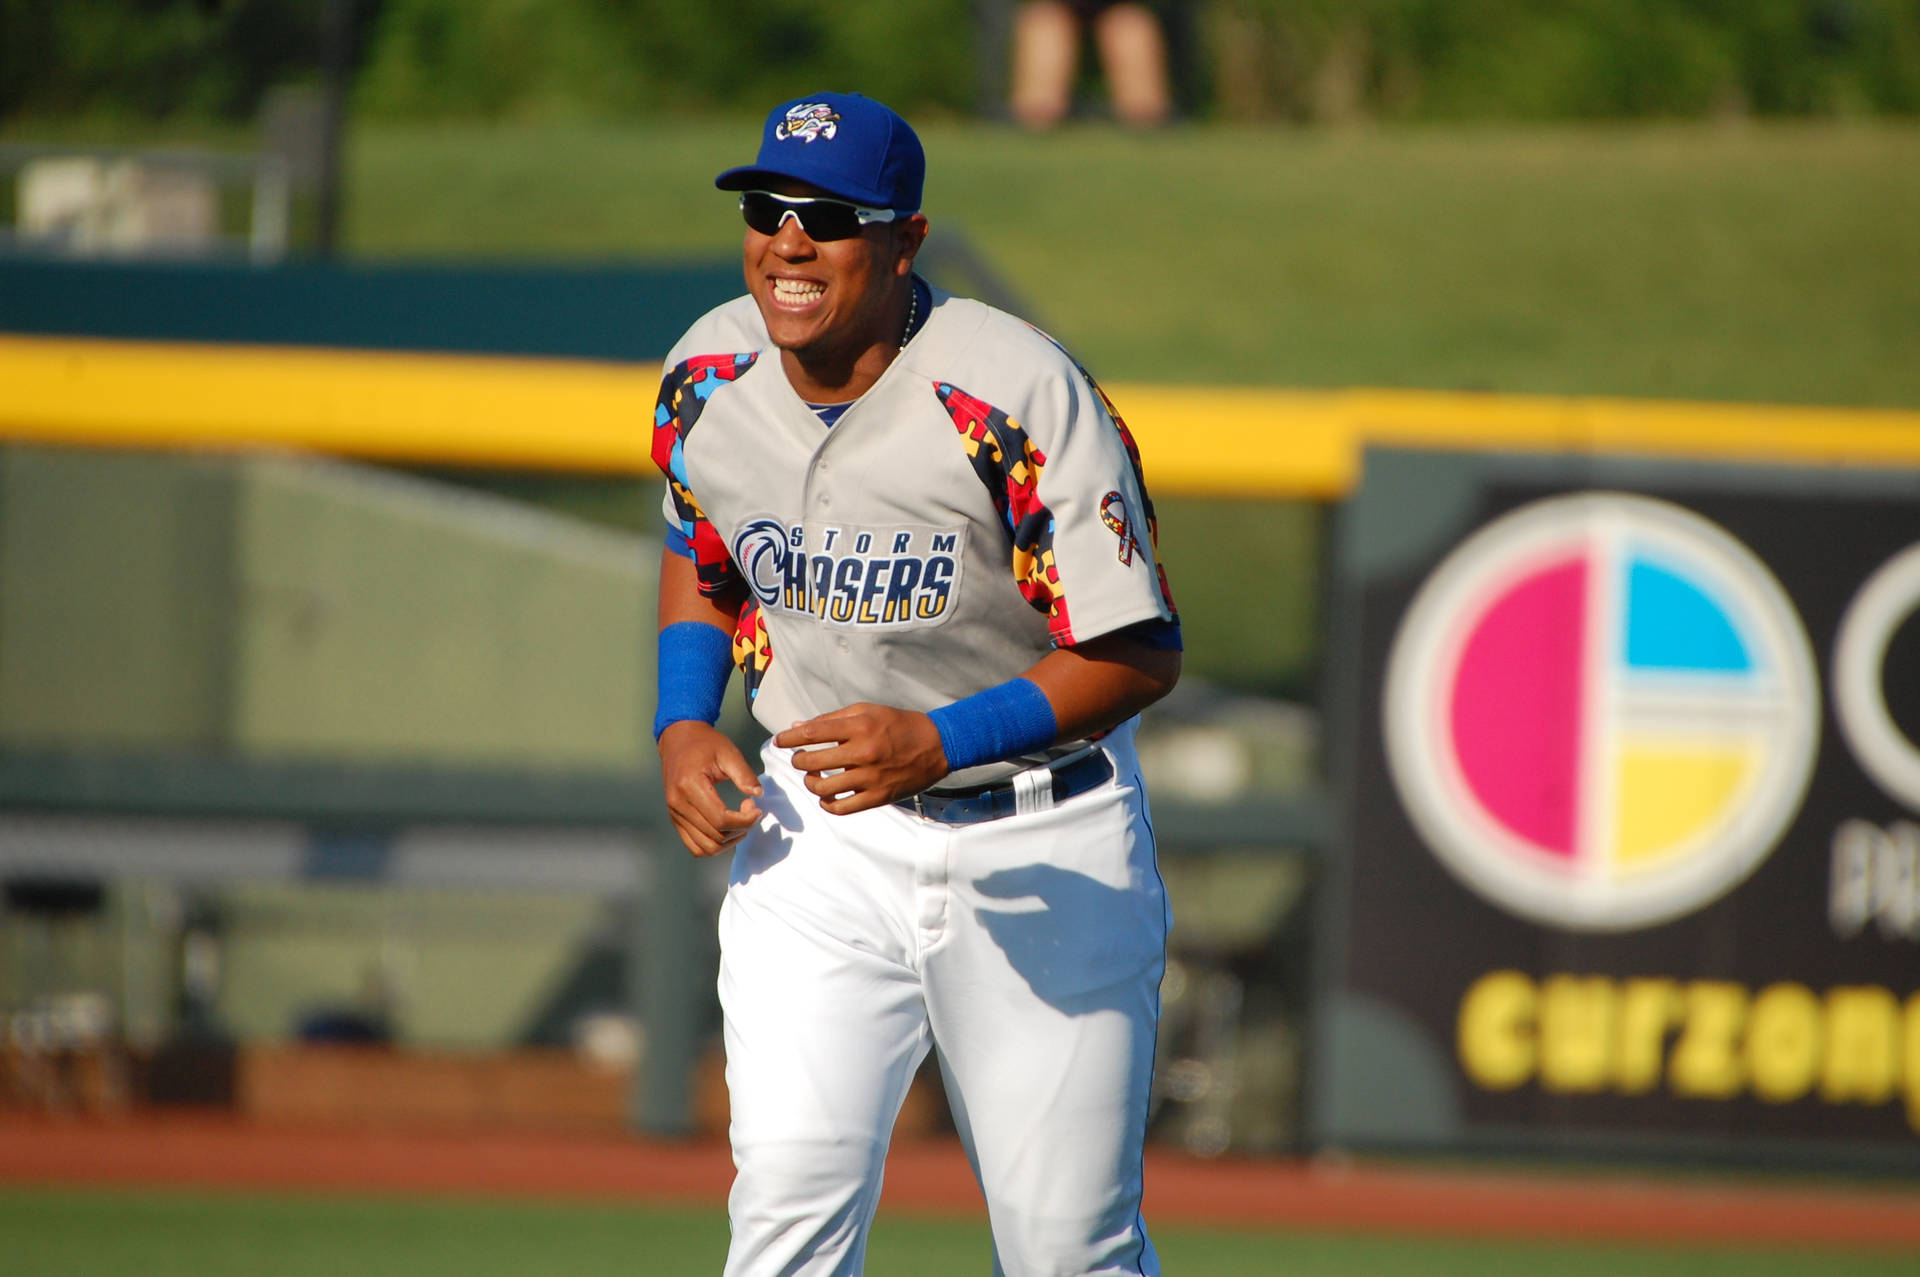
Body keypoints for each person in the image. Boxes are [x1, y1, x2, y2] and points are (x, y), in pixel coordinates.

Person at [649, 90, 1181, 1276]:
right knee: (784, 1210)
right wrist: (685, 720)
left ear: (905, 241)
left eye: (830, 216)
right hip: (818, 838)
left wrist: (943, 740)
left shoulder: (1011, 392)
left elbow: (1139, 648)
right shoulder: (709, 367)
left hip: (1044, 835)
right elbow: (704, 554)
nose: (789, 240)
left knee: (1065, 1249)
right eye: (768, 208)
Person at [1010, 0, 1174, 129]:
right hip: (1055, 9)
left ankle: (1146, 122)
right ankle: (1038, 120)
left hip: (1119, 8)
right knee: (1044, 24)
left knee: (1132, 27)